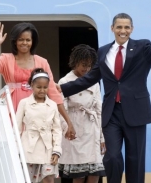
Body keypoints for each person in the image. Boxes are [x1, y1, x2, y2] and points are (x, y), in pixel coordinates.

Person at [57, 5, 151, 183]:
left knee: (135, 160)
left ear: (132, 29)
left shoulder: (142, 47)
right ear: (112, 28)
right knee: (111, 157)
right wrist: (62, 89)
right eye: (119, 27)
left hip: (136, 111)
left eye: (127, 27)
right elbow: (89, 79)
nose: (123, 30)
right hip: (112, 113)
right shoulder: (103, 51)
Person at [0, 22, 76, 140]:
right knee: (13, 141)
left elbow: (53, 92)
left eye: (28, 40)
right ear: (15, 41)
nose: (24, 43)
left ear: (33, 42)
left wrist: (68, 122)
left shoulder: (42, 62)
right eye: (21, 39)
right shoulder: (6, 59)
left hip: (37, 107)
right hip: (11, 107)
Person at [58, 44, 106, 183]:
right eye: (83, 64)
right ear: (75, 62)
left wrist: (102, 137)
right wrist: (67, 127)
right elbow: (61, 109)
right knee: (78, 174)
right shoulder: (65, 81)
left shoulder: (95, 83)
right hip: (75, 128)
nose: (86, 69)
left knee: (95, 172)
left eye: (90, 65)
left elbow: (99, 110)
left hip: (92, 130)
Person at [16, 68, 62, 183]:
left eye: (45, 87)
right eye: (39, 87)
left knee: (48, 179)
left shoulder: (52, 105)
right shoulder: (24, 103)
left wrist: (56, 150)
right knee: (27, 179)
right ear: (32, 85)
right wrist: (16, 149)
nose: (42, 90)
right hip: (28, 148)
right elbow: (17, 128)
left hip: (48, 149)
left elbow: (57, 129)